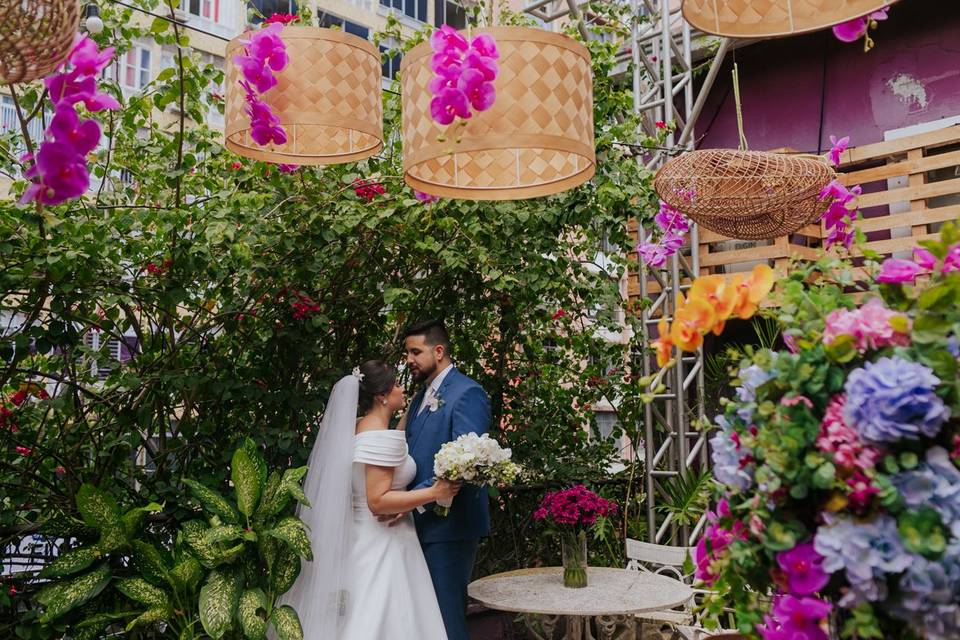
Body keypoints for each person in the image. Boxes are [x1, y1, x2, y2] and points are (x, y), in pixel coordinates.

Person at [281, 360, 460, 639]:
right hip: (385, 541)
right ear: (382, 396)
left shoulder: (356, 428)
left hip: (358, 538)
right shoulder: (380, 439)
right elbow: (377, 501)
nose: (403, 390)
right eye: (397, 385)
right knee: (381, 615)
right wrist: (435, 492)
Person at [403, 319, 492, 640]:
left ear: (438, 351)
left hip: (450, 527)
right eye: (407, 353)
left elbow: (468, 463)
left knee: (446, 618)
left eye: (415, 352)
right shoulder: (419, 397)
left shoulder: (468, 393)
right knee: (425, 620)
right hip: (419, 523)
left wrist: (413, 503)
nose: (409, 360)